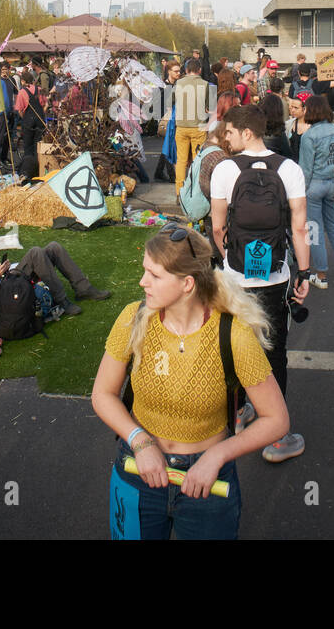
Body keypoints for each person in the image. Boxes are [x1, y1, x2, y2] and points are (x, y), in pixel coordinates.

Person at [91, 226, 290, 539]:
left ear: (187, 284)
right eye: (145, 271)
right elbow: (103, 394)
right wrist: (140, 442)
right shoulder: (133, 317)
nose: (143, 282)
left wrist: (217, 456)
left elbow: (276, 419)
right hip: (137, 470)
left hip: (207, 484)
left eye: (154, 276)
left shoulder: (233, 335)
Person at [208, 104, 311, 463]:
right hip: (276, 276)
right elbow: (298, 228)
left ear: (247, 132)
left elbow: (218, 226)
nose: (227, 137)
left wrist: (227, 260)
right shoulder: (289, 169)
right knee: (274, 353)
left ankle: (238, 415)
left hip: (234, 277)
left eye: (231, 132)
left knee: (234, 349)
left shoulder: (224, 169)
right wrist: (305, 273)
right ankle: (277, 436)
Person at [0, 237, 111, 317]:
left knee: (53, 247)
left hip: (5, 281)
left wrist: (1, 271)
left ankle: (83, 288)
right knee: (35, 253)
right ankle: (61, 301)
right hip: (1, 294)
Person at [297, 96, 334, 289]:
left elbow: (306, 168)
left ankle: (321, 275)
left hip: (314, 186)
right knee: (333, 225)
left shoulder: (308, 136)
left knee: (314, 230)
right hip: (331, 183)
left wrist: (300, 192)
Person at [173, 59, 213, 199]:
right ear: (199, 70)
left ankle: (179, 192)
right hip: (198, 127)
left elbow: (172, 101)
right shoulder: (205, 84)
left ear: (186, 69)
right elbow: (210, 108)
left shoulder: (178, 83)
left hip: (181, 126)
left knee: (181, 160)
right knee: (197, 161)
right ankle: (196, 191)